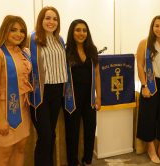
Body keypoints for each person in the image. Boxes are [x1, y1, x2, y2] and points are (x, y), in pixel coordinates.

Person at [0, 15, 32, 166]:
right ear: (5, 31)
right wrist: (0, 119)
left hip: (23, 109)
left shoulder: (25, 52)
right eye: (13, 30)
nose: (19, 34)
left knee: (21, 149)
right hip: (3, 110)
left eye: (22, 31)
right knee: (4, 155)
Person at [29, 6, 67, 166]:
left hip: (58, 90)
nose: (51, 22)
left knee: (50, 134)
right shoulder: (32, 39)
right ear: (41, 20)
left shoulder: (60, 40)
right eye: (47, 18)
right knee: (44, 135)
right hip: (40, 92)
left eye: (55, 19)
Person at [136, 15, 160, 163]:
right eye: (157, 26)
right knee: (148, 118)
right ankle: (151, 149)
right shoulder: (144, 44)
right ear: (152, 27)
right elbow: (140, 66)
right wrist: (144, 85)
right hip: (151, 84)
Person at [63, 19, 101, 166]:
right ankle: (73, 162)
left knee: (90, 129)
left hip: (89, 96)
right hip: (71, 96)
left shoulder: (92, 50)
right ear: (72, 32)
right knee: (72, 132)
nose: (81, 33)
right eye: (78, 30)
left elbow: (97, 74)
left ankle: (87, 160)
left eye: (84, 30)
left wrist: (99, 97)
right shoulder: (66, 51)